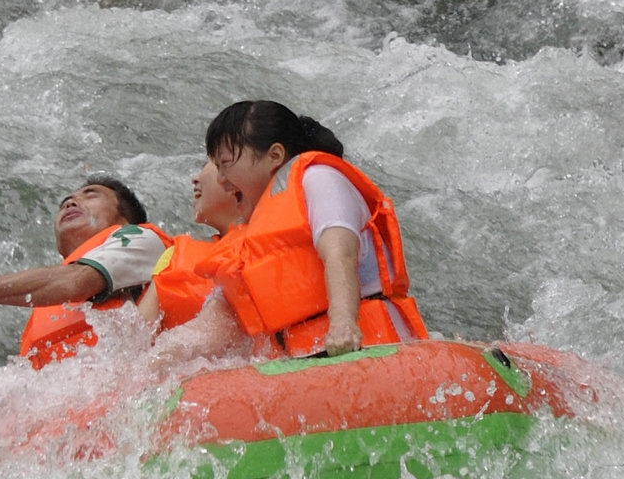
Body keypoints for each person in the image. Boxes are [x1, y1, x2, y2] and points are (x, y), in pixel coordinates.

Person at [148, 100, 427, 358]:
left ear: (275, 155)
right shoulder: (250, 236)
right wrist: (156, 362)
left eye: (225, 164)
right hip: (305, 367)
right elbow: (214, 324)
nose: (220, 180)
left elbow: (340, 253)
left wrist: (343, 322)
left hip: (369, 348)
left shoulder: (319, 179)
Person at [0, 177, 171, 369]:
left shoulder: (142, 239)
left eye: (90, 195)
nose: (71, 202)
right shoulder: (48, 298)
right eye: (65, 202)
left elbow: (77, 283)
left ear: (124, 220)